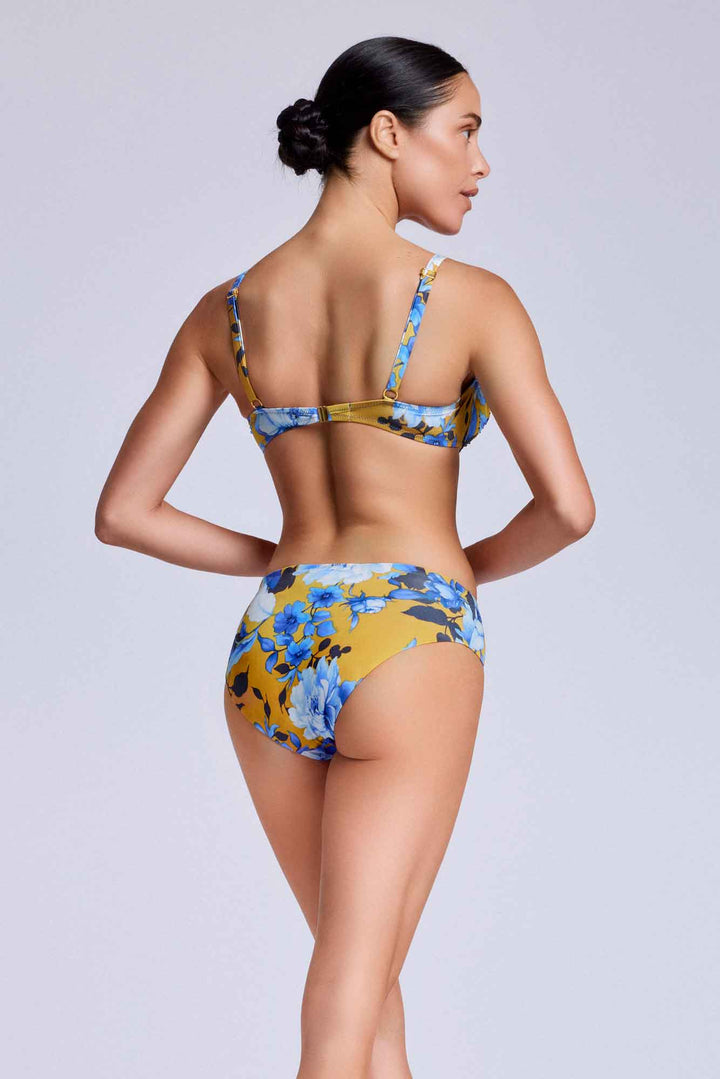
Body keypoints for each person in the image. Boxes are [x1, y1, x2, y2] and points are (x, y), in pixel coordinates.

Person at [95, 34, 595, 1079]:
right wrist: (454, 570)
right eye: (465, 131)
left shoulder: (228, 310)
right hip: (409, 638)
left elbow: (126, 512)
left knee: (372, 1004)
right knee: (349, 991)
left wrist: (287, 557)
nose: (481, 163)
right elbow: (568, 508)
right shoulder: (471, 298)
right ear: (388, 132)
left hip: (273, 643)